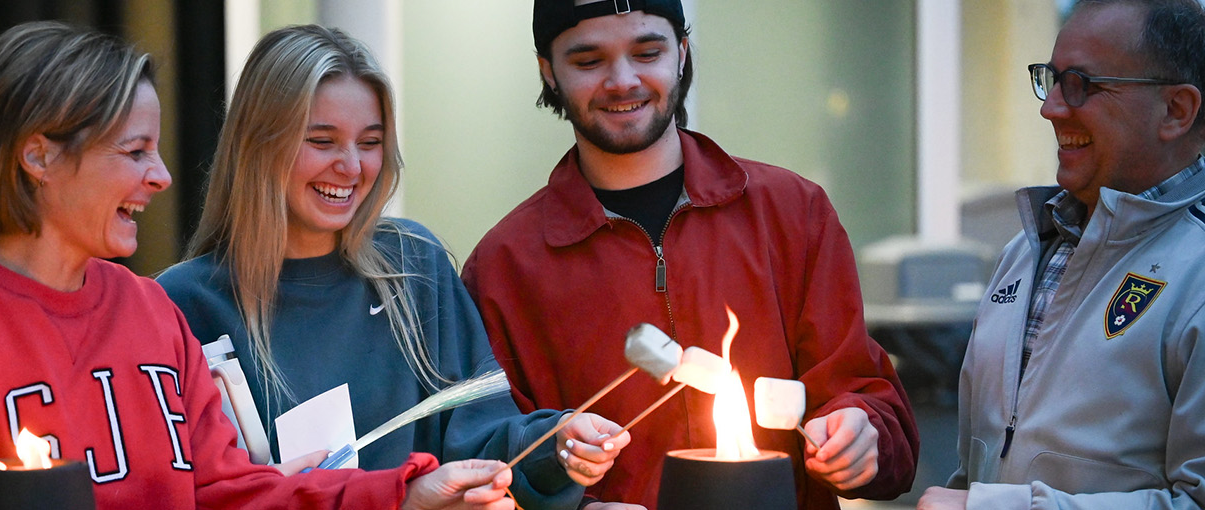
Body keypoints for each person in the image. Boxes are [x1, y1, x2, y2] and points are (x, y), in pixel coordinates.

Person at [0, 20, 516, 510]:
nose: (161, 177)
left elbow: (232, 494)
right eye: (133, 152)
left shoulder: (149, 315)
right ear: (39, 156)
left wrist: (404, 494)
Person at [461, 1, 921, 508]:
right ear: (548, 72)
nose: (622, 81)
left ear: (681, 53)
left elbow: (874, 407)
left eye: (647, 52)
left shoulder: (792, 213)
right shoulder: (503, 267)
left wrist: (863, 434)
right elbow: (488, 466)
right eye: (589, 61)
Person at [155, 24, 628, 510]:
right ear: (258, 145)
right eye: (322, 140)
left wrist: (557, 443)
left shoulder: (412, 266)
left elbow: (482, 440)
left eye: (370, 142)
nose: (352, 167)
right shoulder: (180, 305)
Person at [918, 1, 1205, 508]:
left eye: (1082, 84)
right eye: (1050, 79)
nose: (1050, 107)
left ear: (1176, 111)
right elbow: (979, 469)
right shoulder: (1026, 251)